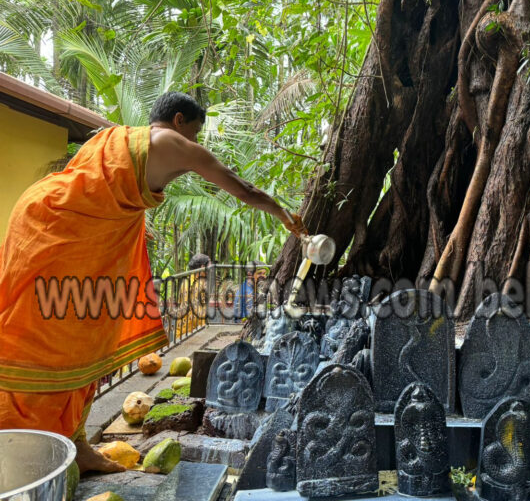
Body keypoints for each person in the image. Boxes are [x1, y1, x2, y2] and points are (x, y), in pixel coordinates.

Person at [0, 91, 306, 473]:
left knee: (85, 333)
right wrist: (283, 213)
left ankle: (74, 443)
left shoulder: (113, 137)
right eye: (195, 131)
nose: (194, 142)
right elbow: (242, 190)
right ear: (179, 121)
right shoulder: (175, 144)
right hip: (64, 238)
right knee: (53, 341)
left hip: (40, 218)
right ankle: (32, 451)